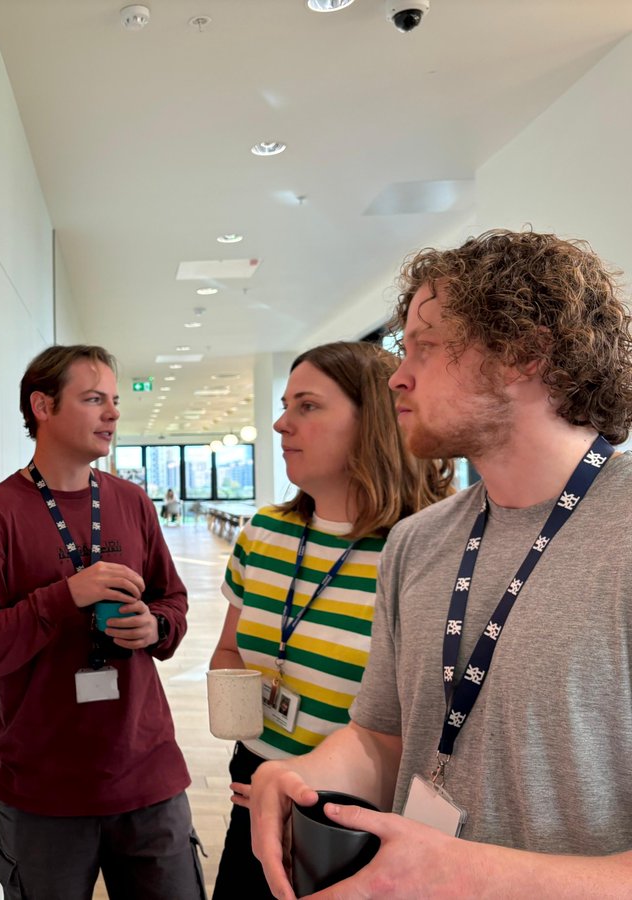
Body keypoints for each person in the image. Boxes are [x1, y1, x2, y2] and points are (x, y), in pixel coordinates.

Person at [249, 230, 632, 898]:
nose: (398, 375)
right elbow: (381, 737)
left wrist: (471, 873)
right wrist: (306, 772)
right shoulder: (418, 542)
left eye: (425, 347)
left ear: (522, 353)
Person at [0, 344, 203, 900]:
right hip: (42, 793)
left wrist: (155, 627)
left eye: (112, 400)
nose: (112, 413)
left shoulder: (132, 502)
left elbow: (173, 602)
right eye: (92, 399)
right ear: (42, 405)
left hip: (148, 777)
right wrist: (64, 598)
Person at [209, 341, 454, 899]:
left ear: (372, 423)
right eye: (285, 404)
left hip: (358, 809)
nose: (280, 423)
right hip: (257, 779)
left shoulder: (425, 549)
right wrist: (248, 738)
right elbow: (230, 651)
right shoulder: (263, 534)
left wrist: (311, 775)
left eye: (307, 406)